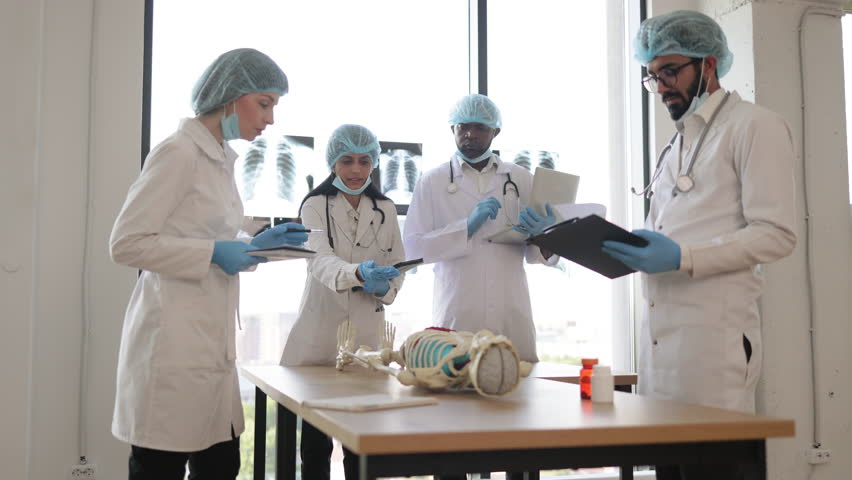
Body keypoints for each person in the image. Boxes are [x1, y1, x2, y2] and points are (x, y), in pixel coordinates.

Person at [601, 11, 797, 480]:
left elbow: (777, 233)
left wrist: (683, 257)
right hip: (662, 357)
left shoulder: (754, 126)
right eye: (652, 76)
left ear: (708, 64)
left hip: (713, 355)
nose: (661, 85)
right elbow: (676, 227)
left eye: (670, 71)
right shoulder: (677, 143)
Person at [109, 48, 308, 480]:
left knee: (221, 464)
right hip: (171, 349)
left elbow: (203, 231)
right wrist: (213, 253)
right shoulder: (179, 152)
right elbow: (126, 243)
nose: (270, 119)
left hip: (209, 348)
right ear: (230, 95)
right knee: (159, 467)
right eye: (265, 103)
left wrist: (255, 244)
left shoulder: (218, 158)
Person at [280, 124, 406, 480]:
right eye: (347, 161)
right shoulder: (314, 205)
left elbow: (398, 264)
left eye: (364, 161)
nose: (355, 170)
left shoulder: (385, 208)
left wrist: (383, 287)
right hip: (320, 335)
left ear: (374, 164)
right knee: (316, 448)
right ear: (333, 163)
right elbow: (317, 259)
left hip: (368, 336)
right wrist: (358, 274)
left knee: (361, 447)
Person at [403, 93, 558, 364]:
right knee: (454, 388)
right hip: (457, 309)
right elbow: (413, 248)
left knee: (517, 393)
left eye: (480, 127)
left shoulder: (521, 179)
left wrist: (548, 237)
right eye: (463, 127)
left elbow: (538, 255)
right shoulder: (431, 181)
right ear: (452, 128)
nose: (470, 134)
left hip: (510, 309)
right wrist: (466, 227)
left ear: (495, 131)